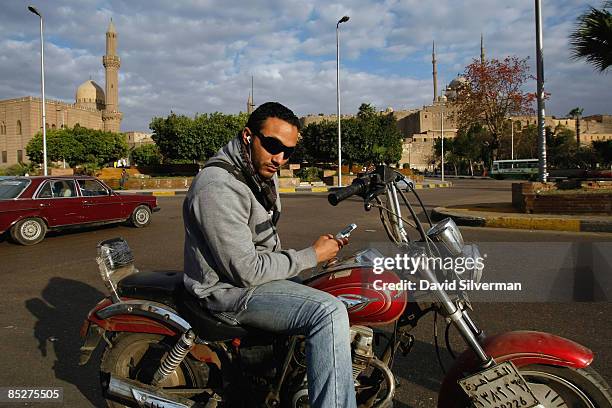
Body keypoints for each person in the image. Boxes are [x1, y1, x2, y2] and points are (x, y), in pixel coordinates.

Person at [183, 102, 356, 407]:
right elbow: (246, 270)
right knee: (328, 313)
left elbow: (264, 242)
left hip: (252, 279)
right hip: (227, 290)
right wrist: (310, 255)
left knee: (339, 284)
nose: (280, 158)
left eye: (288, 151)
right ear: (248, 136)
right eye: (273, 145)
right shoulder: (218, 187)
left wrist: (314, 258)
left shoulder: (260, 171)